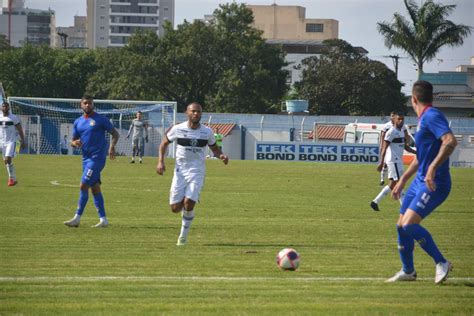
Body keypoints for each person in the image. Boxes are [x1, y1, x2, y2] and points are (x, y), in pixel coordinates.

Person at [387, 81, 457, 284]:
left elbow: (450, 141)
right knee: (401, 225)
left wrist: (433, 168)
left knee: (409, 224)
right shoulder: (423, 119)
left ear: (413, 99)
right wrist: (402, 181)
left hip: (434, 183)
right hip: (419, 181)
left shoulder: (432, 116)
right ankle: (408, 271)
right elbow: (420, 157)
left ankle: (441, 262)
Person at [156, 102, 229, 246]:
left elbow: (215, 148)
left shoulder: (207, 132)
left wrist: (221, 156)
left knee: (189, 204)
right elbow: (164, 143)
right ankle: (186, 203)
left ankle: (182, 237)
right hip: (180, 172)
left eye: (199, 112)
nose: (196, 114)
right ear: (187, 113)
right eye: (193, 111)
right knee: (175, 209)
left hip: (197, 172)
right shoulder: (178, 129)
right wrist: (160, 162)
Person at [64, 95, 119, 228]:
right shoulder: (78, 122)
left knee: (83, 185)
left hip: (97, 159)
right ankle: (103, 220)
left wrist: (112, 147)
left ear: (93, 105)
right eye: (85, 103)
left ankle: (77, 218)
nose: (88, 105)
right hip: (85, 159)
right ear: (81, 105)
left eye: (90, 103)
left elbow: (115, 134)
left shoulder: (101, 119)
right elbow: (72, 140)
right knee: (95, 188)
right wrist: (74, 143)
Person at [370, 112, 416, 211]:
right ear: (394, 120)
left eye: (402, 119)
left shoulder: (401, 132)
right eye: (399, 119)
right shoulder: (391, 132)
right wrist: (381, 162)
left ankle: (375, 202)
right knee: (400, 183)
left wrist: (416, 152)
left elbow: (406, 147)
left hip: (398, 161)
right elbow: (384, 148)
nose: (401, 121)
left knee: (393, 185)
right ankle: (405, 208)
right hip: (393, 161)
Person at [0, 101, 26, 186]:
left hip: (11, 142)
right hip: (2, 142)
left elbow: (19, 129)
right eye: (3, 106)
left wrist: (23, 140)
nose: (5, 108)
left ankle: (11, 179)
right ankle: (13, 179)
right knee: (6, 161)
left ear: (9, 108)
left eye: (6, 106)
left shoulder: (13, 117)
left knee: (8, 159)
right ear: (1, 108)